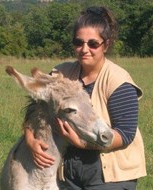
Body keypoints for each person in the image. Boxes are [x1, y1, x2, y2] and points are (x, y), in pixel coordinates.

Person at [25, 6, 146, 190]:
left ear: (106, 45)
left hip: (109, 174)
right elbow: (35, 110)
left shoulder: (119, 81)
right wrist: (30, 140)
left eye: (93, 44)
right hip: (66, 171)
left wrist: (81, 143)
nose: (84, 49)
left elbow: (126, 134)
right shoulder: (61, 74)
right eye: (78, 42)